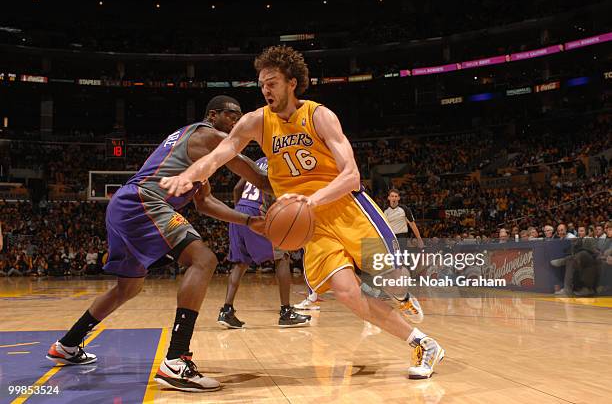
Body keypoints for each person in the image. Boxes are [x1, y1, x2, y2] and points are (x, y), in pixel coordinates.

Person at [161, 46, 443, 379]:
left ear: (292, 82)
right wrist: (189, 174)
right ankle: (424, 344)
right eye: (262, 83)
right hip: (312, 227)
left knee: (393, 281)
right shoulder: (257, 122)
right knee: (348, 293)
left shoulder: (319, 115)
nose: (266, 90)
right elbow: (222, 152)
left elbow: (351, 175)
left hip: (346, 209)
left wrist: (312, 200)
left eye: (273, 82)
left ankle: (403, 294)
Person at [46, 95, 270, 393]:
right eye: (233, 115)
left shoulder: (194, 146)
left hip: (125, 205)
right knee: (203, 260)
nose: (237, 122)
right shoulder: (210, 136)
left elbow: (204, 203)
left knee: (129, 287)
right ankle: (176, 360)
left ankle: (67, 345)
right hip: (144, 201)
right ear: (213, 115)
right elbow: (259, 177)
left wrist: (247, 221)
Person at [218, 157, 311, 328]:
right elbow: (279, 193)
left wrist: (240, 211)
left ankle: (227, 310)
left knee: (240, 263)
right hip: (258, 210)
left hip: (238, 213)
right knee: (282, 256)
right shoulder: (283, 161)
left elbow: (237, 188)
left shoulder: (258, 161)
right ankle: (286, 312)